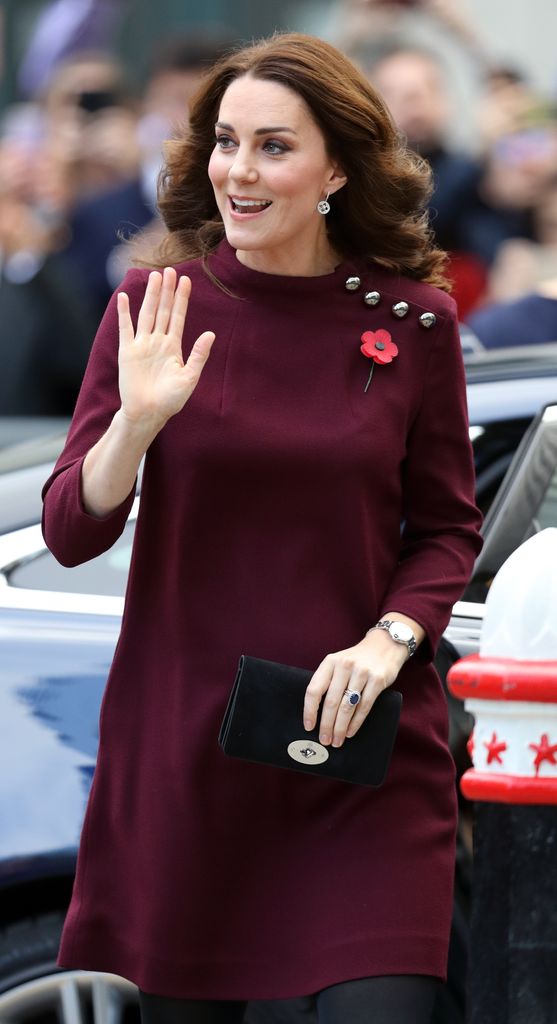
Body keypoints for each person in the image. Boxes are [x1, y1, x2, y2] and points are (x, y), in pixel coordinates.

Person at [41, 32, 483, 1024]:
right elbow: (71, 528)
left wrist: (387, 642)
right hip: (193, 759)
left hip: (360, 753)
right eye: (225, 141)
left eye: (272, 146)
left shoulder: (414, 324)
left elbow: (447, 531)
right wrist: (137, 421)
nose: (238, 170)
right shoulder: (152, 307)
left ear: (335, 166)